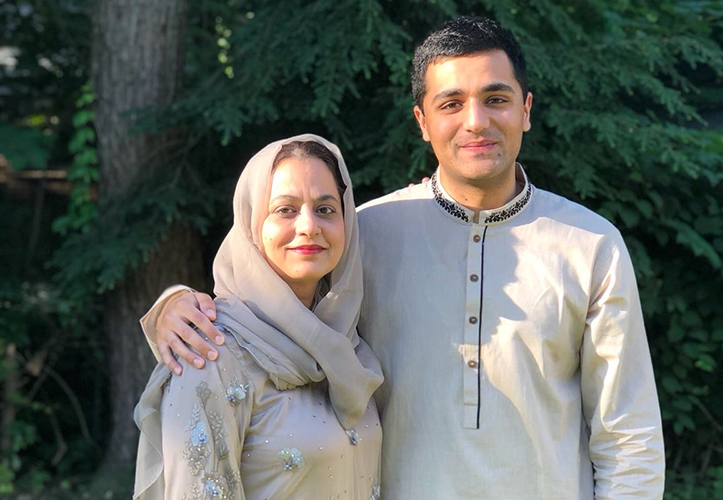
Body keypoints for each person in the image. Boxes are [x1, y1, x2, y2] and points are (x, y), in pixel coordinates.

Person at [141, 17, 665, 500]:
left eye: (496, 99)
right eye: (451, 103)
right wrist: (173, 305)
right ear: (422, 120)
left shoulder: (591, 245)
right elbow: (272, 301)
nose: (476, 122)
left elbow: (629, 437)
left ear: (526, 109)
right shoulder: (365, 233)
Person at [133, 135, 384, 500]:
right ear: (252, 224)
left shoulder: (349, 344)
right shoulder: (211, 353)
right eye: (286, 209)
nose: (309, 226)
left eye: (326, 209)